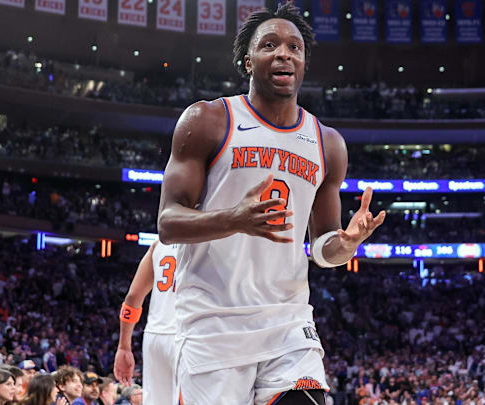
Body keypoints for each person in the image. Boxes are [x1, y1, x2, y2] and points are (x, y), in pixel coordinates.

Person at [156, 3, 385, 404]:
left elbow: (322, 249)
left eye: (294, 47)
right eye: (270, 45)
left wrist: (346, 245)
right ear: (248, 61)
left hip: (287, 321)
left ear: (304, 62)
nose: (284, 53)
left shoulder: (327, 142)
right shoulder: (209, 119)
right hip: (214, 323)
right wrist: (235, 218)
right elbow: (168, 223)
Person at [113, 239, 177, 405]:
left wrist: (124, 346)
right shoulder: (209, 232)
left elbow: (132, 298)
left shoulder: (159, 243)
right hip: (190, 334)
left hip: (155, 337)